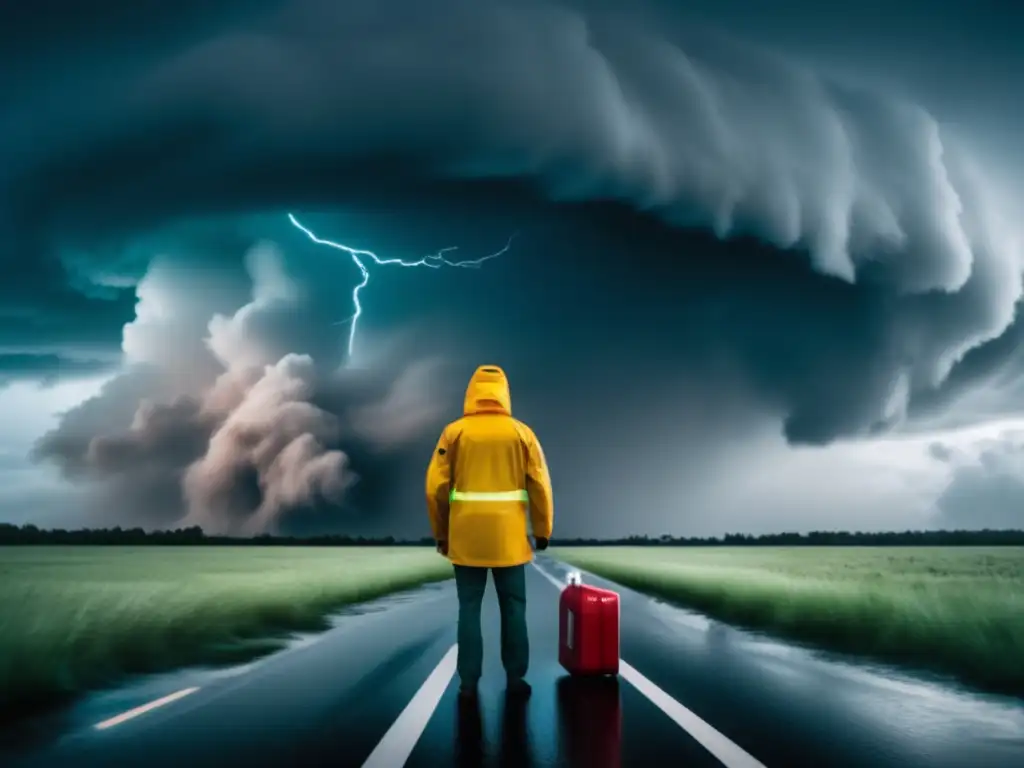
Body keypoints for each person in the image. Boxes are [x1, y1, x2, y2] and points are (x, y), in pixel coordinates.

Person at [426, 364, 554, 700]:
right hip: (509, 541)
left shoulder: (453, 433)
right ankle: (516, 678)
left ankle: (468, 682)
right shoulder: (522, 433)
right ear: (504, 393)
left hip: (466, 539)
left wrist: (442, 533)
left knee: (468, 609)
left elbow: (435, 488)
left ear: (471, 392)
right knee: (513, 608)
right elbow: (540, 485)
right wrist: (542, 530)